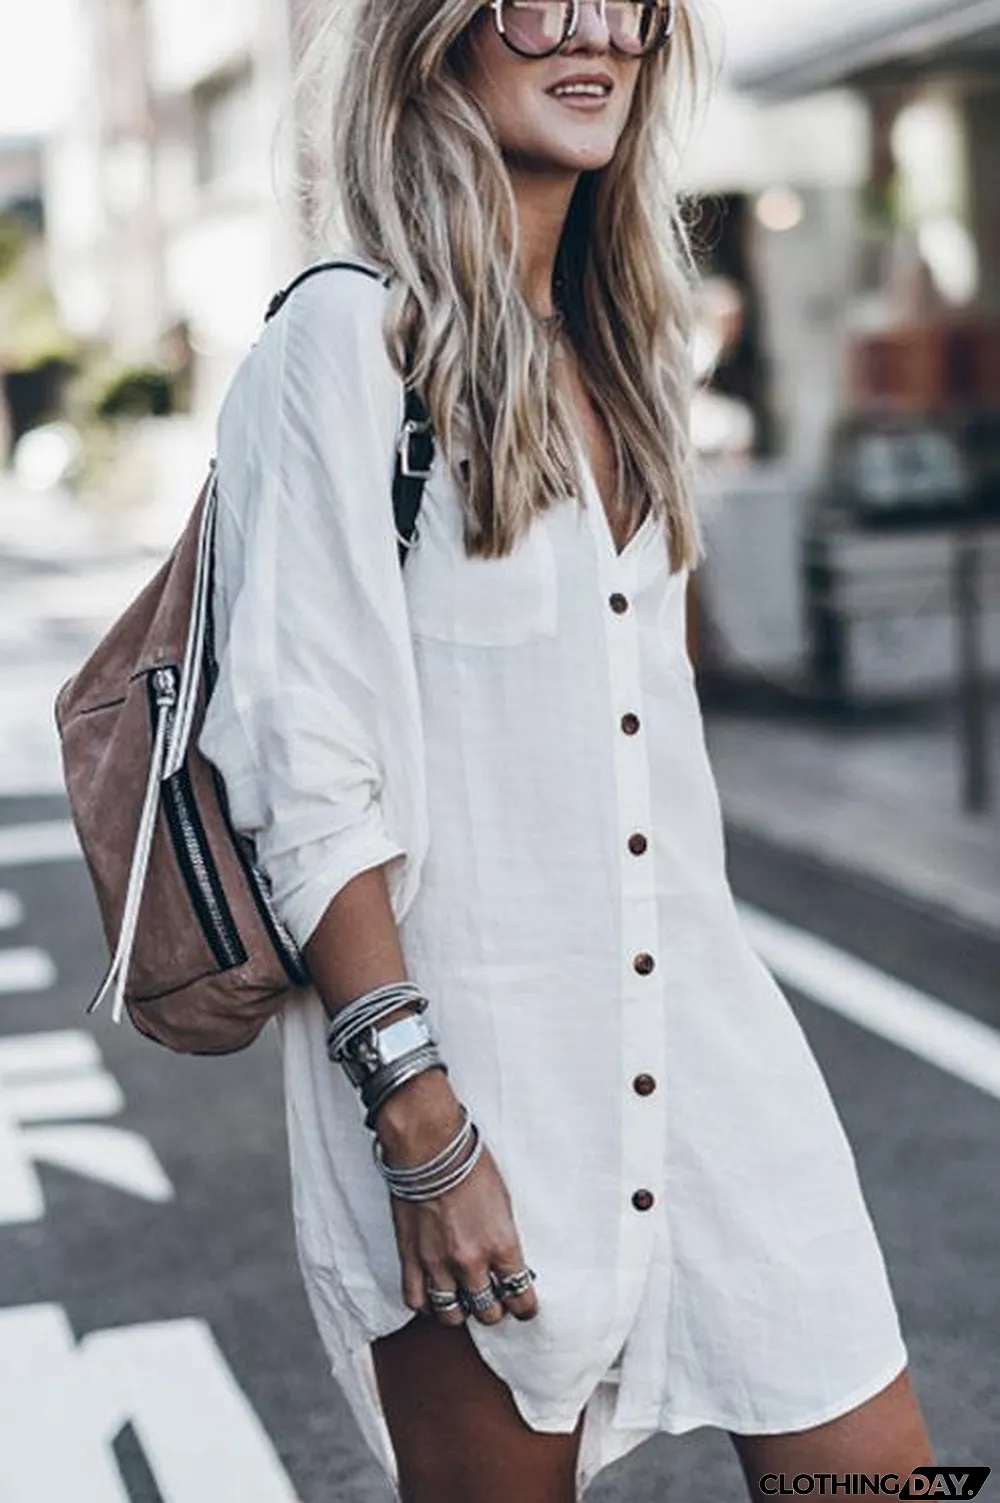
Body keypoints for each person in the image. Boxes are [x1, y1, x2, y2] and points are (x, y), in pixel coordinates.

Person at [198, 0, 936, 1497]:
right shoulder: (343, 345)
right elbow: (305, 770)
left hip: (719, 1067)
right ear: (437, 32)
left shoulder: (624, 354)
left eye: (633, 2)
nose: (595, 32)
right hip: (481, 1095)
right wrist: (424, 1129)